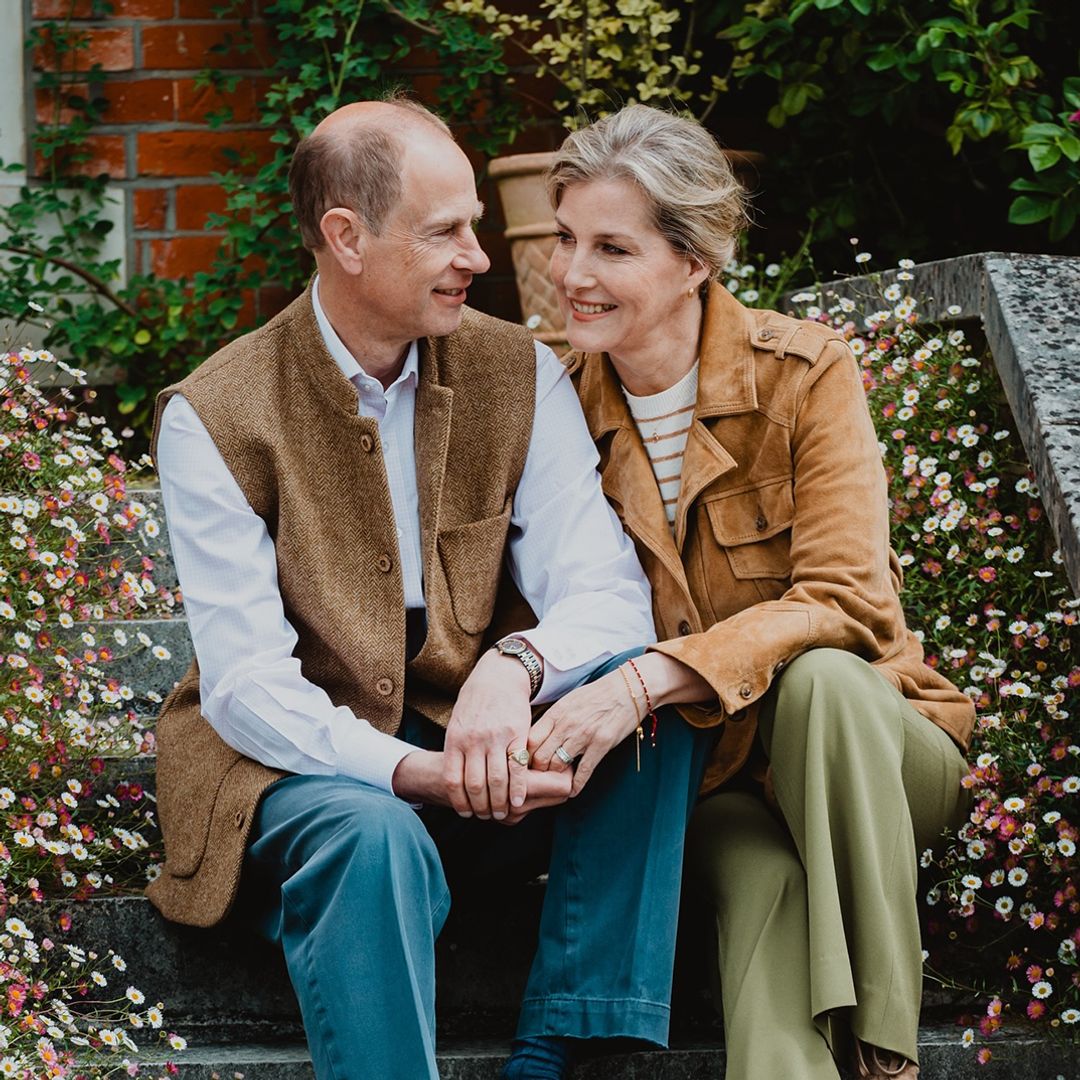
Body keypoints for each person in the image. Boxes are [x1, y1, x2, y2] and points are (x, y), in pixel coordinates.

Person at [148, 96, 713, 1080]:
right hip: (296, 773)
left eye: (476, 228)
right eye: (447, 231)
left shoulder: (518, 372)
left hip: (478, 744)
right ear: (345, 237)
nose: (481, 257)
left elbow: (607, 593)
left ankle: (559, 1050)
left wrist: (515, 662)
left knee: (645, 687)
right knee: (375, 840)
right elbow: (247, 691)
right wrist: (410, 775)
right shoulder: (215, 414)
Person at [526, 104, 976, 1080]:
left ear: (695, 260)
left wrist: (648, 680)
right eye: (564, 239)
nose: (572, 273)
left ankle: (887, 1050)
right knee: (761, 887)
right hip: (718, 777)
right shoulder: (557, 410)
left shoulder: (805, 374)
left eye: (611, 246)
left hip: (879, 749)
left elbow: (852, 601)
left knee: (817, 679)